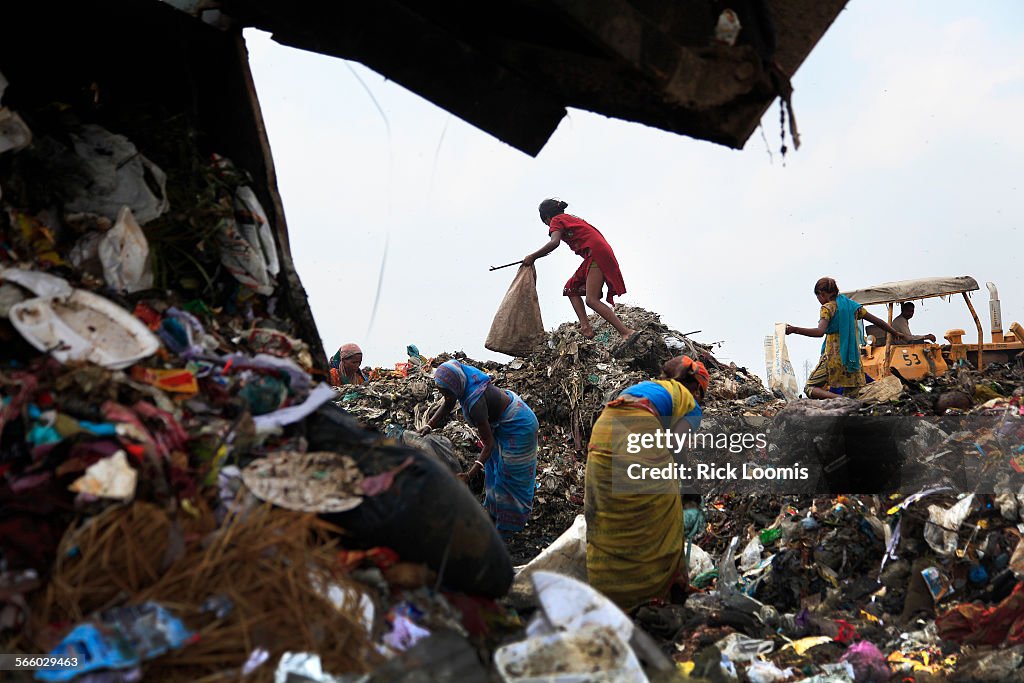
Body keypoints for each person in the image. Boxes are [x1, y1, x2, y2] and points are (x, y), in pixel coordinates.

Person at [585, 355, 710, 611]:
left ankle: (608, 594)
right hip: (638, 430)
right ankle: (654, 593)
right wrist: (690, 491)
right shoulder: (690, 405)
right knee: (660, 517)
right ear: (696, 387)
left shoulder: (651, 388)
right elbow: (677, 445)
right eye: (702, 395)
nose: (700, 401)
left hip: (602, 434)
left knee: (609, 514)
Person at [419, 360, 539, 541]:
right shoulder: (463, 382)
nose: (444, 395)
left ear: (455, 386)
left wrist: (470, 474)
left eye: (445, 391)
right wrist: (428, 426)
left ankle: (508, 528)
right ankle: (492, 516)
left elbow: (488, 444)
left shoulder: (475, 403)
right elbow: (448, 403)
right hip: (501, 424)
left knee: (510, 477)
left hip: (519, 425)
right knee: (493, 469)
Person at [522, 199, 636, 341]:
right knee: (570, 288)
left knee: (591, 300)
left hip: (596, 255)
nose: (549, 227)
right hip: (596, 254)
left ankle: (626, 332)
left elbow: (554, 242)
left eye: (546, 224)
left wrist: (533, 256)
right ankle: (585, 328)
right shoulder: (570, 218)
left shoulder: (556, 220)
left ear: (547, 218)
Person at [786, 277, 909, 399]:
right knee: (854, 396)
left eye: (818, 297)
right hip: (852, 359)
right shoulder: (852, 307)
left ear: (822, 294)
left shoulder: (827, 308)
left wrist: (795, 329)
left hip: (833, 359)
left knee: (810, 387)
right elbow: (877, 321)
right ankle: (849, 404)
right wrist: (895, 332)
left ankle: (840, 399)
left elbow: (819, 332)